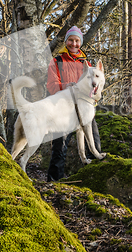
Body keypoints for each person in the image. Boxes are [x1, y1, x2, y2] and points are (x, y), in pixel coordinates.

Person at [46, 26, 102, 182]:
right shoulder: (56, 61)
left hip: (85, 109)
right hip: (64, 109)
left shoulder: (87, 63)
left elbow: (94, 85)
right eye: (71, 40)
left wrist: (95, 96)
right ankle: (53, 184)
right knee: (60, 148)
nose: (74, 44)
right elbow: (51, 85)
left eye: (77, 40)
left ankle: (93, 181)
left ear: (81, 42)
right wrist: (65, 86)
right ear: (66, 41)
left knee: (95, 146)